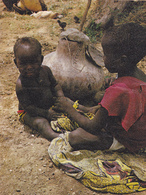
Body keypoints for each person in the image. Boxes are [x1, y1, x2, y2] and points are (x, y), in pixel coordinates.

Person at [53, 22, 146, 153]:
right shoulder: (141, 76)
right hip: (140, 133)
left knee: (76, 136)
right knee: (99, 103)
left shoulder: (117, 91)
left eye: (106, 54)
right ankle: (87, 109)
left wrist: (68, 108)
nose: (103, 57)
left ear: (122, 60)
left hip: (128, 140)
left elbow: (93, 127)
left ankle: (119, 146)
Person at [14, 37, 64, 140]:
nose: (29, 67)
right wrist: (46, 113)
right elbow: (28, 107)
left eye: (33, 62)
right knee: (41, 123)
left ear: (41, 60)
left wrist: (61, 97)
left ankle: (86, 110)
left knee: (67, 103)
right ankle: (58, 137)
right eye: (23, 64)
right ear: (16, 63)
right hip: (29, 112)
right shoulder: (21, 85)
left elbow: (55, 85)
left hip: (49, 105)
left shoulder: (46, 71)